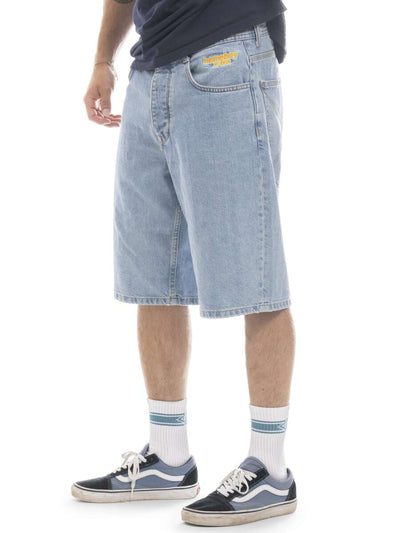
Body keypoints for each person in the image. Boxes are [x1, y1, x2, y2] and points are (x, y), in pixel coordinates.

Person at [72, 0, 296, 526]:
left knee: (255, 275)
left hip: (224, 58)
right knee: (153, 279)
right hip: (149, 72)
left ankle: (271, 469)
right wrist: (103, 59)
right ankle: (168, 456)